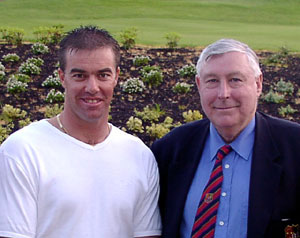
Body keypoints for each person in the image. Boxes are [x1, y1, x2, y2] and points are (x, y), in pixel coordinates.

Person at [0, 26, 161, 238]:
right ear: (62, 77)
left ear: (116, 77)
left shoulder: (139, 155)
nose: (92, 87)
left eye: (103, 75)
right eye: (80, 76)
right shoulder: (23, 151)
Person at [151, 38, 300, 238]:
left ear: (258, 84)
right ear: (199, 85)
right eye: (212, 81)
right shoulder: (170, 150)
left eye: (235, 80)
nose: (223, 93)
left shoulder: (295, 148)